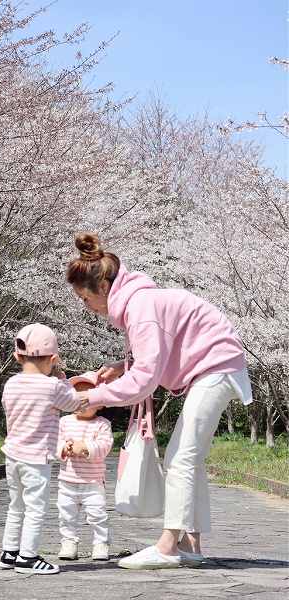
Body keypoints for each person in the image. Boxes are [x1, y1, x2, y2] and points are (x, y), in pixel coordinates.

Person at [66, 232, 253, 570]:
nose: (86, 306)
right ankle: (191, 543)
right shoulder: (139, 303)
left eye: (84, 297)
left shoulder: (141, 307)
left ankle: (168, 546)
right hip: (215, 367)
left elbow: (143, 382)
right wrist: (122, 366)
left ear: (104, 288)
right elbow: (154, 359)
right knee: (187, 457)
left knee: (181, 456)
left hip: (217, 367)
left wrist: (91, 397)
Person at [0, 323, 82, 575]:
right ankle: (28, 558)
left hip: (12, 456)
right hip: (36, 459)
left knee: (16, 506)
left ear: (17, 356)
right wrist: (65, 382)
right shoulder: (52, 387)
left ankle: (9, 553)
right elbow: (74, 404)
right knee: (35, 509)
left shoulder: (10, 384)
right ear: (54, 359)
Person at [56, 372, 113, 562]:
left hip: (93, 481)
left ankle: (100, 543)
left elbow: (105, 446)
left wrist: (86, 448)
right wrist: (64, 448)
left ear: (101, 402)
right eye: (77, 397)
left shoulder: (102, 424)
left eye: (87, 398)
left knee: (97, 514)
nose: (81, 403)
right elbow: (54, 443)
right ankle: (69, 542)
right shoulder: (64, 422)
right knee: (66, 514)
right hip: (67, 481)